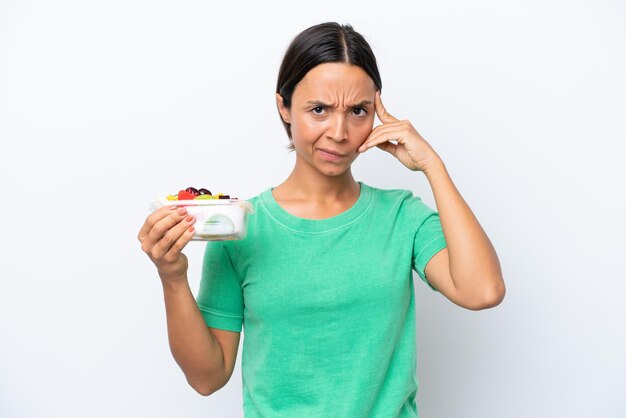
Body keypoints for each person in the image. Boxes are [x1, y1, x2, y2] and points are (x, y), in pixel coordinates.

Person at [138, 22, 505, 417]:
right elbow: (207, 378)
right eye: (319, 110)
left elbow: (482, 291)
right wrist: (172, 276)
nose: (340, 132)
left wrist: (433, 166)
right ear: (284, 107)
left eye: (358, 111)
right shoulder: (242, 229)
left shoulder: (402, 217)